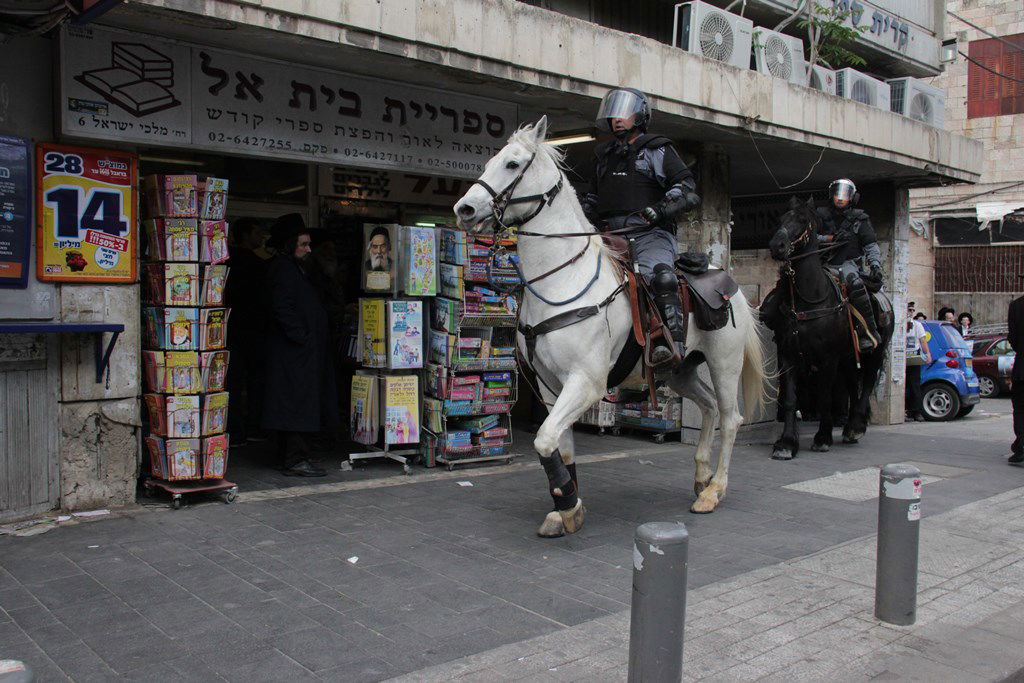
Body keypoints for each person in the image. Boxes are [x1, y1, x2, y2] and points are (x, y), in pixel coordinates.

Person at [580, 88, 701, 365]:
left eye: (624, 112)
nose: (617, 119)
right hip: (609, 235)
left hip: (650, 234)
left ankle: (668, 343)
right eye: (613, 113)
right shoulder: (603, 156)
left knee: (660, 278)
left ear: (640, 115)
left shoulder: (657, 150)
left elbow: (688, 190)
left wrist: (660, 209)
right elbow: (594, 198)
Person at [262, 213, 339, 477]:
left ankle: (289, 456)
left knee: (296, 402)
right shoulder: (283, 268)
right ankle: (295, 458)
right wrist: (302, 338)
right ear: (289, 244)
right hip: (293, 353)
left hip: (298, 351)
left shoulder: (295, 267)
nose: (308, 250)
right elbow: (282, 308)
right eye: (303, 244)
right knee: (296, 404)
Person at [815, 178, 883, 352]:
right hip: (821, 262)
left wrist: (875, 265)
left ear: (852, 197)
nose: (840, 198)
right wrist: (828, 239)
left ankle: (868, 331)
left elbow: (870, 245)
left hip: (847, 263)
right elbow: (809, 237)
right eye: (837, 193)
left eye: (844, 195)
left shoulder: (860, 219)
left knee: (856, 284)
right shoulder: (819, 215)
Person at [225, 217, 270, 447]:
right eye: (256, 232)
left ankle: (235, 429)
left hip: (231, 329)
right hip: (250, 330)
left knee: (233, 381)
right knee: (254, 381)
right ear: (244, 235)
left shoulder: (226, 261)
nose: (261, 236)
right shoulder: (255, 264)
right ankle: (251, 427)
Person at [905, 301, 932, 421]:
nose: (910, 313)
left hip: (913, 357)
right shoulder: (899, 324)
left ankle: (916, 411)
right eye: (908, 310)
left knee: (914, 385)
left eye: (912, 310)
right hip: (900, 358)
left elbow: (923, 340)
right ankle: (905, 409)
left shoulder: (917, 325)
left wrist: (927, 354)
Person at [1007, 290, 1024, 464]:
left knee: (1020, 409)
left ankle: (1021, 446)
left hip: (1022, 368)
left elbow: (1012, 338)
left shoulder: (1017, 305)